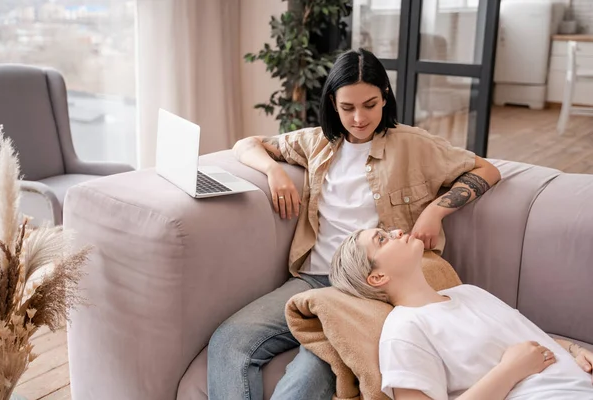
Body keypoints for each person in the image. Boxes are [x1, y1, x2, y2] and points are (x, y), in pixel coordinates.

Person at [206, 47, 501, 400]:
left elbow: (486, 169)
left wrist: (435, 211)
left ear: (385, 98)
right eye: (348, 108)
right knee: (228, 342)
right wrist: (272, 171)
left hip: (369, 287)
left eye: (370, 105)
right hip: (312, 280)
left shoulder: (413, 144)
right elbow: (247, 144)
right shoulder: (316, 143)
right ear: (333, 102)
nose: (359, 118)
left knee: (307, 377)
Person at [330, 228, 593, 400]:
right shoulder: (404, 330)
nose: (397, 231)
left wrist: (573, 350)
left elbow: (524, 339)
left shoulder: (469, 293)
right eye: (382, 239)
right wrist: (509, 371)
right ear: (377, 277)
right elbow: (518, 359)